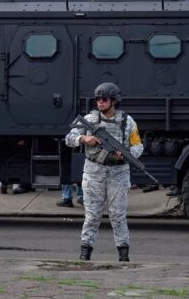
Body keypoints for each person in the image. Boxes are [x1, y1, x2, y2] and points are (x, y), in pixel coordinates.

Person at [65, 82, 143, 262]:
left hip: (119, 172)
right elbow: (69, 138)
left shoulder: (127, 121)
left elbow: (138, 145)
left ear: (114, 101)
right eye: (98, 99)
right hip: (94, 170)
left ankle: (123, 255)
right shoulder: (90, 120)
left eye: (104, 99)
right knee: (92, 215)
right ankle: (85, 253)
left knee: (118, 216)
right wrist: (84, 138)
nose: (100, 102)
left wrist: (126, 153)